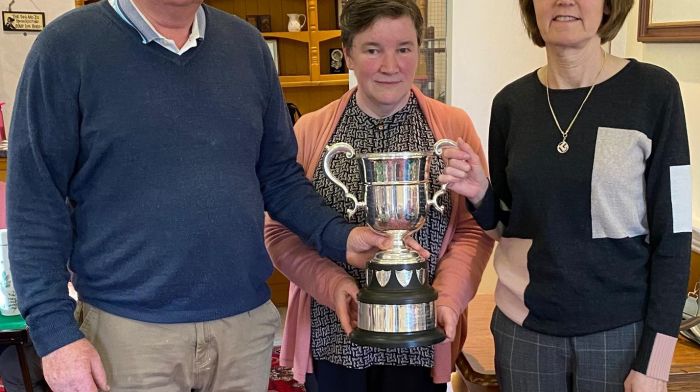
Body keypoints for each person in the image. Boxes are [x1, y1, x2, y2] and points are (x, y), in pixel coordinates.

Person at [6, 0, 399, 391]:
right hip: (127, 335)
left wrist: (341, 237)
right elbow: (35, 202)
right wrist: (55, 334)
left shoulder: (246, 46)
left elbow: (278, 176)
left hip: (243, 331)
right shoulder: (65, 47)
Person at [439, 0, 691, 391]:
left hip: (620, 334)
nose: (564, 1)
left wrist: (655, 364)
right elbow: (507, 226)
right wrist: (480, 193)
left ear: (609, 6)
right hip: (524, 331)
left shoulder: (655, 93)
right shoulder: (511, 104)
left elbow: (673, 237)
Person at [264, 1, 494, 391]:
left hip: (423, 339)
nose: (391, 66)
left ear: (418, 50)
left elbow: (474, 231)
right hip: (334, 334)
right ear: (348, 53)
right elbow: (279, 234)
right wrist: (332, 285)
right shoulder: (310, 131)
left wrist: (448, 298)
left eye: (404, 48)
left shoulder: (453, 128)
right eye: (373, 50)